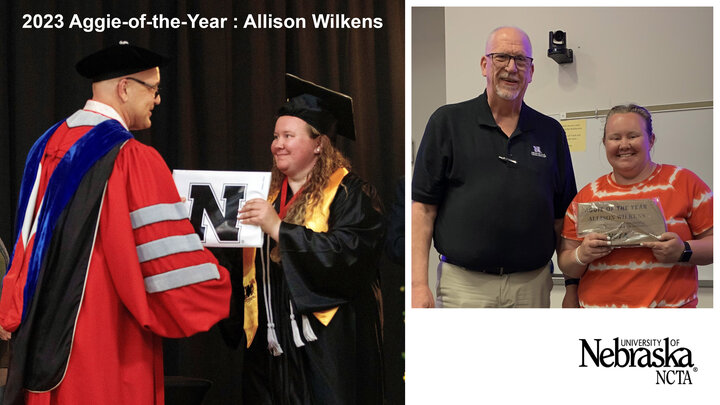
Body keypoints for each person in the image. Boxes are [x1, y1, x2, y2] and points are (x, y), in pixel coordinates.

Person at [0, 42, 232, 404]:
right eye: (152, 89)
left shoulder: (46, 145)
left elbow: (27, 244)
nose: (157, 99)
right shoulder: (132, 157)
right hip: (106, 338)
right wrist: (217, 284)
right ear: (125, 88)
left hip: (42, 338)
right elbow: (167, 265)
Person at [228, 74, 384, 404]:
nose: (277, 144)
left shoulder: (350, 194)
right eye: (275, 136)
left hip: (326, 344)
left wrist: (280, 229)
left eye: (288, 135)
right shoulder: (265, 197)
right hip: (271, 343)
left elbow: (350, 257)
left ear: (319, 143)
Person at [411, 26, 577, 308]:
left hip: (532, 286)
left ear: (532, 71)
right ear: (484, 65)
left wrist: (572, 287)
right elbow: (423, 209)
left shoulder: (551, 133)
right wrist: (417, 285)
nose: (512, 68)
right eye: (502, 57)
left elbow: (564, 220)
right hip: (464, 287)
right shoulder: (448, 122)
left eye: (521, 60)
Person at [558, 104, 713, 308]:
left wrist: (683, 250)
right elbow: (567, 263)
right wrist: (581, 255)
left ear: (651, 140)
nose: (624, 145)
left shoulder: (683, 182)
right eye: (615, 138)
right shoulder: (587, 196)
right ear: (605, 143)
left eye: (633, 136)